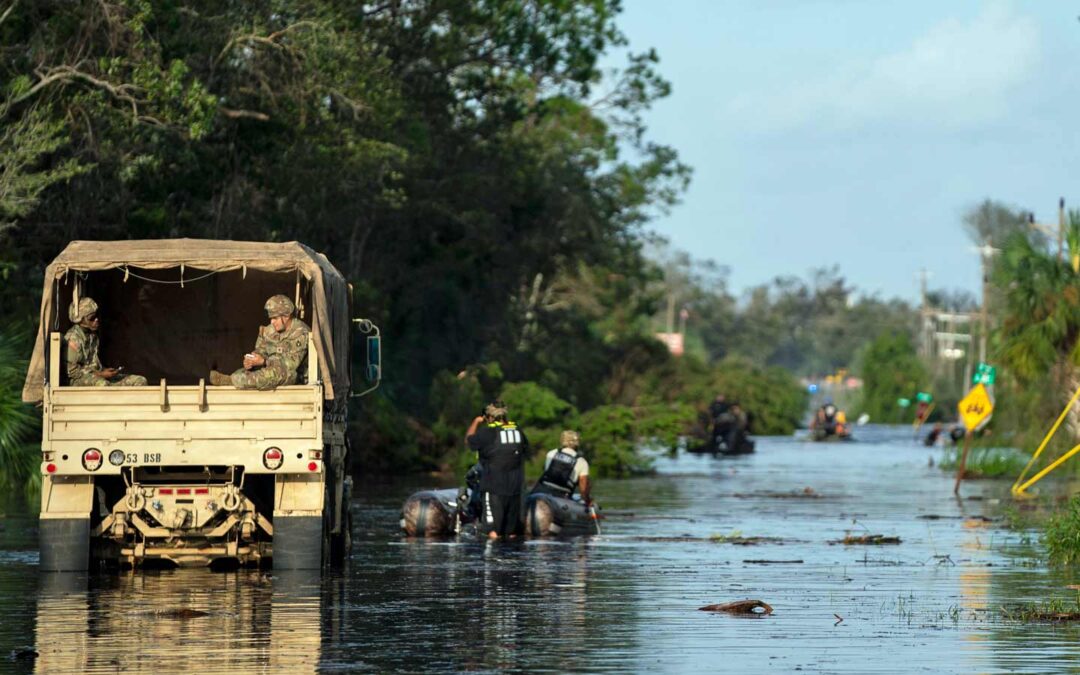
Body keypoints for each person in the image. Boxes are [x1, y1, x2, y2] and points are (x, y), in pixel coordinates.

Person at [210, 294, 310, 389]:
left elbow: (290, 366)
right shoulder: (269, 331)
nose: (272, 322)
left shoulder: (301, 332)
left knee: (277, 374)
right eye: (271, 318)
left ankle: (231, 381)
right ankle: (234, 379)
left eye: (275, 318)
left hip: (292, 376)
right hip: (270, 368)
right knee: (242, 373)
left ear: (286, 316)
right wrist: (252, 360)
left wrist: (264, 361)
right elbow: (261, 350)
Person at [465, 400, 529, 540]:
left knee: (493, 532)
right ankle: (512, 560)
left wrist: (476, 421)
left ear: (489, 417)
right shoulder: (518, 430)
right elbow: (524, 451)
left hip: (493, 487)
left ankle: (494, 560)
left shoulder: (488, 432)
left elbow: (469, 440)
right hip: (515, 488)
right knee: (511, 533)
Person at [64, 297, 148, 387]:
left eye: (96, 316)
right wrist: (100, 374)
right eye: (91, 318)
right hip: (78, 381)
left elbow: (93, 363)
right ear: (81, 320)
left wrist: (105, 372)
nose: (96, 320)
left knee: (140, 381)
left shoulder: (92, 336)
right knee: (103, 385)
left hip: (97, 377)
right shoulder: (73, 338)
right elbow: (72, 372)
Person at [531, 430, 591, 503]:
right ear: (577, 443)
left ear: (562, 440)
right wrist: (588, 502)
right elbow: (583, 489)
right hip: (562, 496)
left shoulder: (551, 453)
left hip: (541, 490)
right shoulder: (582, 462)